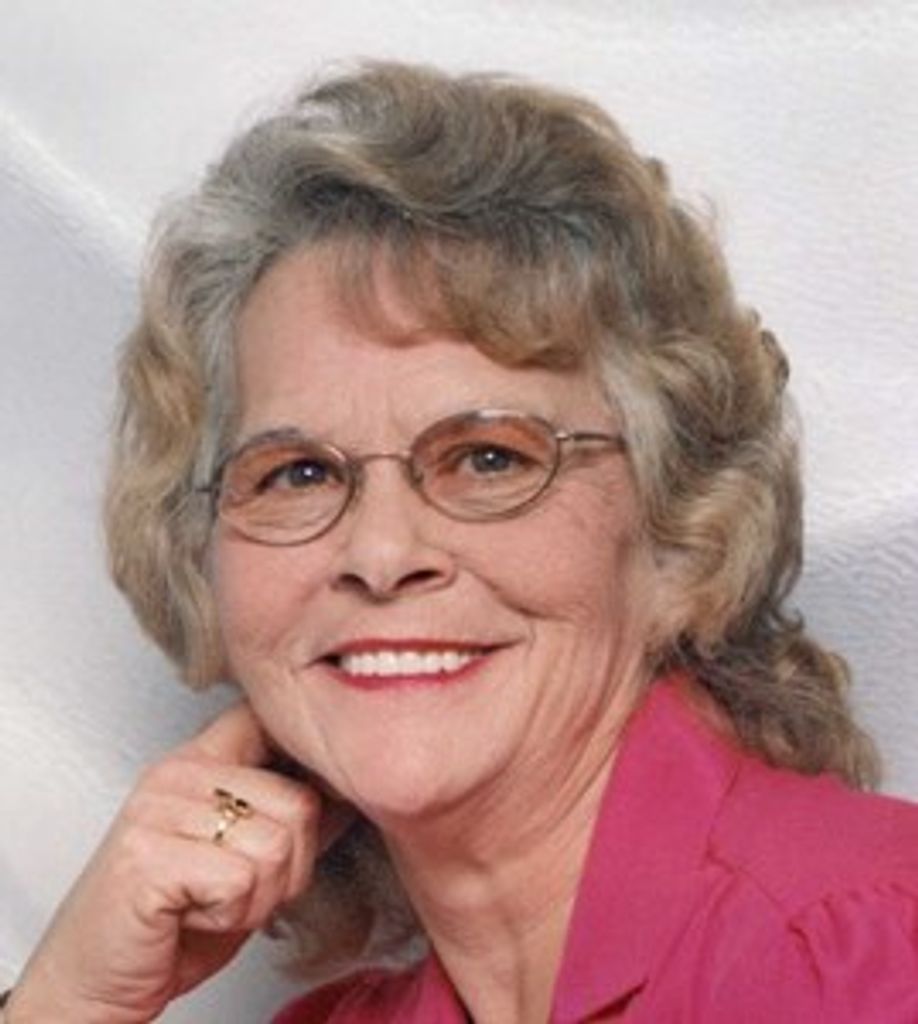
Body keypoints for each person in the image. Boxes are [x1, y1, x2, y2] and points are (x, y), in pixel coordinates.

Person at [3, 60, 917, 1024]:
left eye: (488, 458)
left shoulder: (864, 949)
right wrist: (70, 1001)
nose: (381, 554)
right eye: (298, 473)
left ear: (681, 528)